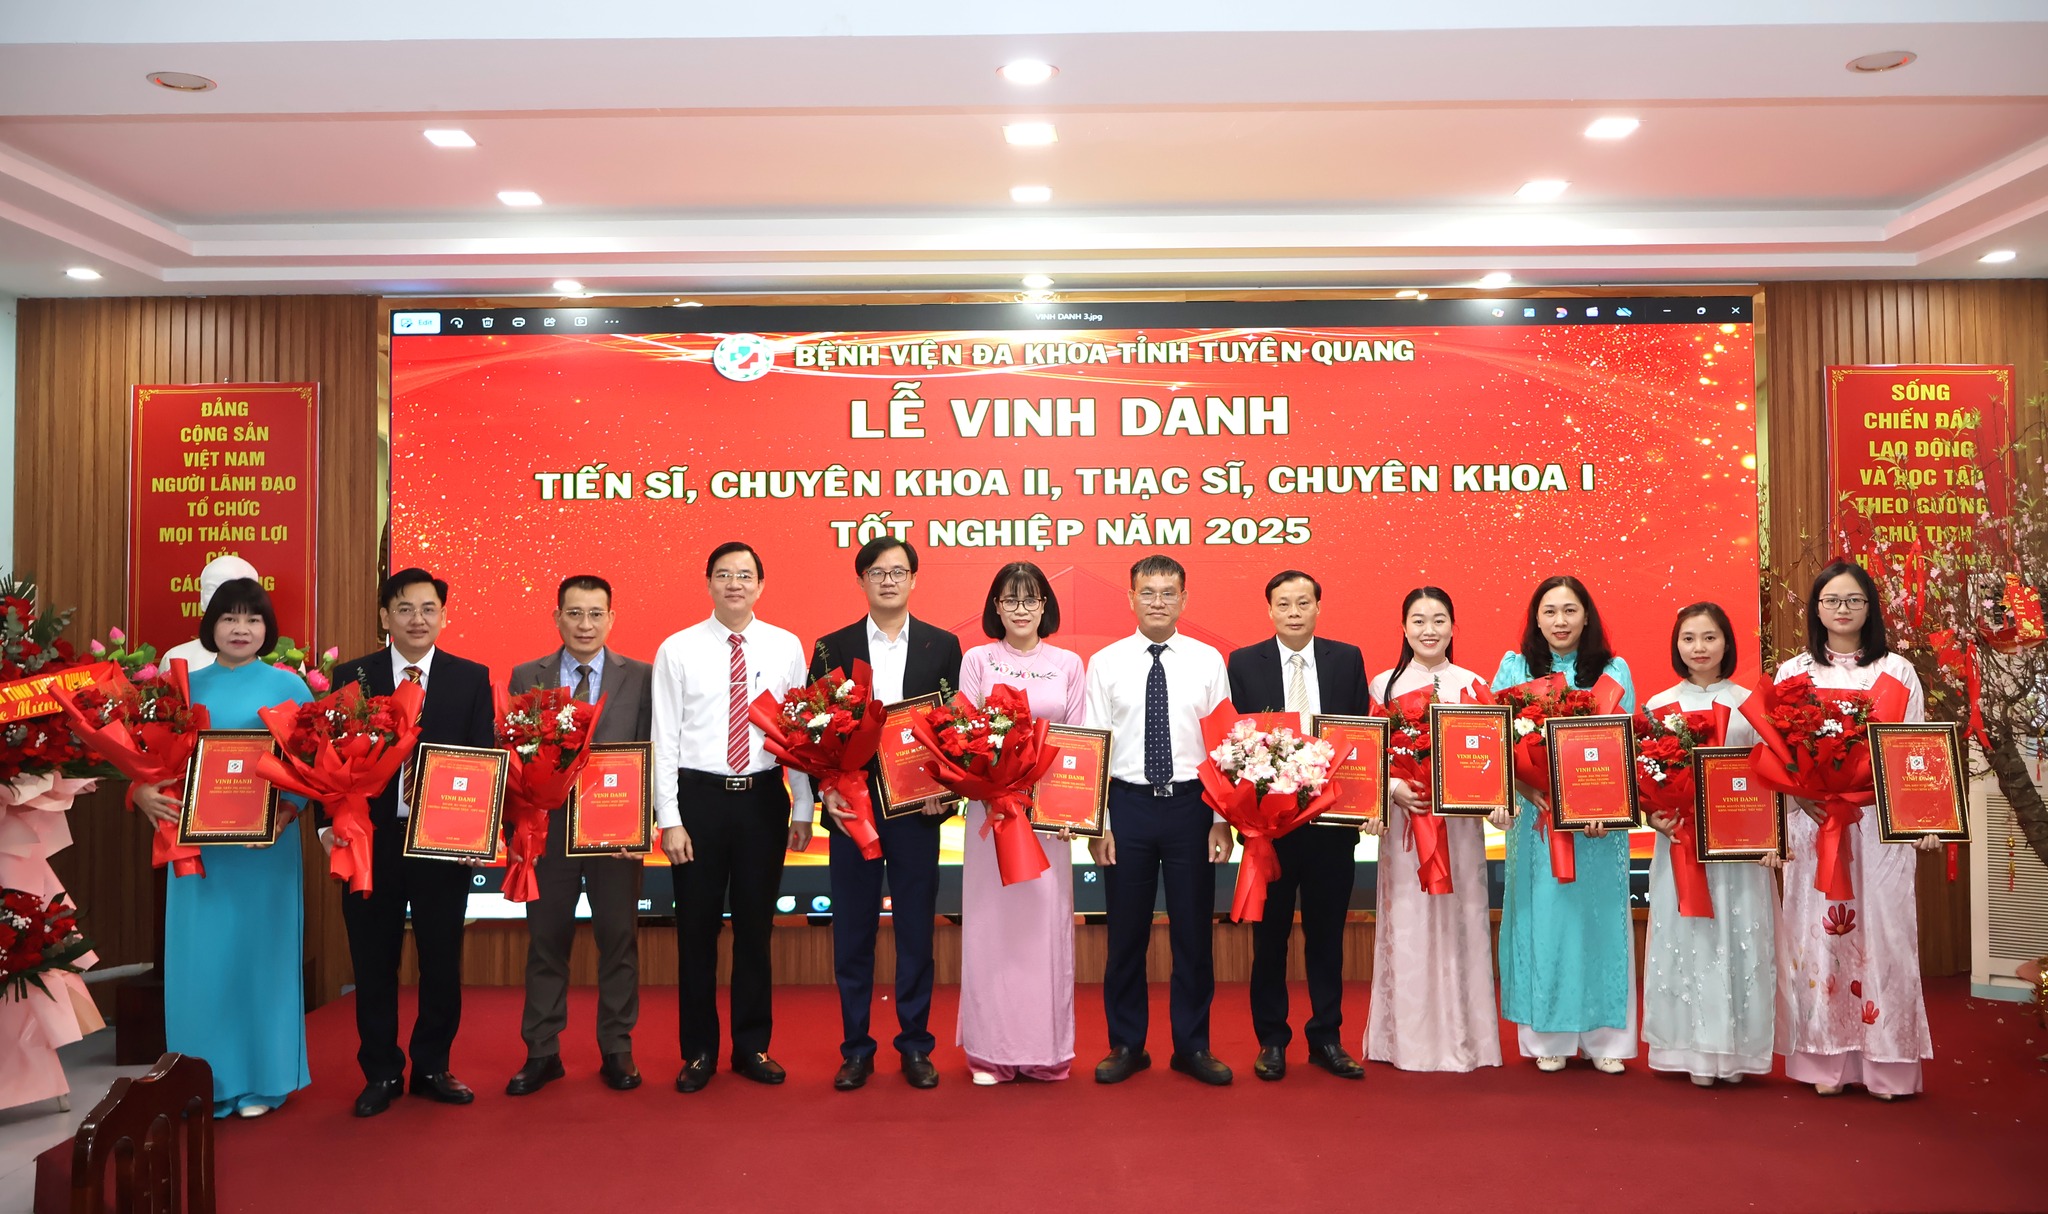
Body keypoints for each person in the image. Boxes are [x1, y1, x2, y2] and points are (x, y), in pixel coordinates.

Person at [129, 578, 311, 1116]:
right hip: (199, 856)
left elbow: (312, 770)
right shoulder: (181, 690)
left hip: (265, 854)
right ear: (211, 625)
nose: (241, 628)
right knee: (201, 966)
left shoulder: (291, 688)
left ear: (267, 629)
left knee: (263, 963)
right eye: (230, 617)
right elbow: (146, 760)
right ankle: (203, 1083)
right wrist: (140, 793)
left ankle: (265, 1080)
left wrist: (287, 813)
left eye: (253, 619)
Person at [326, 568, 496, 1117]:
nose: (417, 619)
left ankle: (431, 1067)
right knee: (373, 960)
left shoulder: (471, 678)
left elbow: (482, 758)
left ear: (444, 615)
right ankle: (380, 1072)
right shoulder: (354, 676)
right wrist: (329, 827)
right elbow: (324, 756)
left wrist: (478, 831)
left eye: (428, 608)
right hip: (369, 840)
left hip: (442, 844)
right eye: (404, 608)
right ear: (385, 616)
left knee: (440, 959)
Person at [1774, 561, 1938, 1100]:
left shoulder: (1898, 671)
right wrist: (1798, 797)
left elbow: (1914, 752)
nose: (1842, 609)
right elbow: (1778, 755)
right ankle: (1825, 1061)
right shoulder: (1793, 672)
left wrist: (1924, 822)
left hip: (1877, 825)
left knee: (1886, 934)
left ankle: (1886, 1064)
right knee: (1817, 936)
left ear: (1870, 608)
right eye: (1831, 600)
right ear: (1816, 610)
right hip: (1816, 823)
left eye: (1853, 600)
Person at [655, 543, 813, 1094]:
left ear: (760, 585)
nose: (734, 584)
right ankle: (699, 1051)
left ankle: (752, 1047)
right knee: (696, 931)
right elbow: (664, 738)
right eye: (724, 575)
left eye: (745, 575)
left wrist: (803, 804)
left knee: (755, 930)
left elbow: (798, 731)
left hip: (762, 800)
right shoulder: (677, 648)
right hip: (698, 800)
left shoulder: (785, 645)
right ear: (708, 583)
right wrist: (670, 818)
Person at [811, 537, 962, 1091]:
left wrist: (948, 787)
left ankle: (916, 1045)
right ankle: (856, 1048)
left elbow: (954, 726)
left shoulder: (943, 645)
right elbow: (813, 726)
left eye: (899, 571)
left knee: (916, 930)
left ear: (914, 579)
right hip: (852, 805)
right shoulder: (832, 647)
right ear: (862, 581)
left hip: (917, 807)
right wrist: (825, 786)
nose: (889, 580)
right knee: (853, 931)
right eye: (878, 572)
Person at [1086, 554, 1236, 1086]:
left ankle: (1192, 1046)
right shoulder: (1104, 663)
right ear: (1130, 598)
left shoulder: (1208, 661)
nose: (1157, 601)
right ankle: (1127, 1044)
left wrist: (1221, 819)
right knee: (1125, 934)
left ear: (1184, 599)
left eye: (1168, 592)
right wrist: (1100, 822)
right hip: (1126, 807)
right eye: (1147, 592)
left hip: (1191, 807)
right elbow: (1095, 746)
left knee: (1193, 933)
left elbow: (1224, 745)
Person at [502, 575, 654, 1097]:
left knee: (619, 940)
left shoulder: (642, 676)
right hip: (547, 832)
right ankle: (542, 1052)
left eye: (595, 614)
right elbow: (515, 755)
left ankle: (617, 1047)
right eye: (574, 613)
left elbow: (652, 750)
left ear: (611, 618)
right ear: (557, 617)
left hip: (615, 835)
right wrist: (517, 826)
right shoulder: (528, 675)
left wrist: (642, 822)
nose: (585, 624)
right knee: (546, 942)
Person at [1224, 569, 1374, 1081]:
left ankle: (1326, 1037)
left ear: (1318, 607)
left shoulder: (1346, 659)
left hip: (1331, 823)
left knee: (1326, 937)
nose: (1293, 612)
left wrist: (1366, 800)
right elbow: (1236, 743)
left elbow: (1360, 738)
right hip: (1271, 827)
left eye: (1303, 602)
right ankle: (1271, 1040)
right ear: (1269, 609)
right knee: (1269, 939)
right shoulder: (1244, 663)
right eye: (1283, 603)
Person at [1491, 575, 1638, 1074]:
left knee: (1597, 921)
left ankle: (1605, 1039)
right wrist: (1527, 787)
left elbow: (1624, 747)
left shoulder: (1613, 671)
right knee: (1545, 922)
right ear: (1536, 618)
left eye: (1570, 610)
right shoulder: (1514, 668)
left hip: (1597, 828)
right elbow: (1498, 744)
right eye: (1550, 611)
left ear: (1586, 616)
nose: (1560, 620)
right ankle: (1546, 1036)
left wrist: (1601, 807)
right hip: (1536, 820)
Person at [956, 562, 1086, 1084]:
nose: (1021, 610)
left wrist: (1072, 811)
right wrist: (993, 788)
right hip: (992, 813)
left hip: (1048, 819)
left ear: (1045, 606)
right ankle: (990, 1053)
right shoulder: (976, 660)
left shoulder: (1069, 663)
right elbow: (963, 735)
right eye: (1010, 600)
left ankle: (1045, 1051)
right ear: (996, 607)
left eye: (1030, 599)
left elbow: (1079, 740)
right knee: (990, 931)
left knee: (1044, 933)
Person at [1363, 586, 1502, 1073]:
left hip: (1459, 830)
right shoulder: (1383, 685)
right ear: (1403, 628)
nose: (1429, 630)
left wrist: (1496, 802)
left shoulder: (1473, 685)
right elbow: (1370, 753)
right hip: (1406, 824)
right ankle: (1407, 1042)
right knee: (1410, 922)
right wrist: (1394, 788)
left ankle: (1467, 1040)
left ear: (1453, 627)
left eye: (1439, 620)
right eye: (1418, 620)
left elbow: (1490, 759)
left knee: (1461, 918)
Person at [1641, 601, 1775, 1087]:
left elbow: (1769, 777)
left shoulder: (1749, 705)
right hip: (1679, 844)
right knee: (1687, 939)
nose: (1699, 647)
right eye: (1688, 638)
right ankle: (1690, 1050)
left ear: (1727, 642)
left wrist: (1769, 835)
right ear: (1676, 645)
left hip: (1737, 851)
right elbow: (1646, 778)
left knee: (1737, 937)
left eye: (1710, 637)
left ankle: (1736, 1052)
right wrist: (1653, 816)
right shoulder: (1658, 706)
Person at [161, 554, 260, 673]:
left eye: (235, 590)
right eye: (212, 588)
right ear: (202, 598)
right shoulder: (177, 658)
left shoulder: (273, 661)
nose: (220, 598)